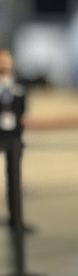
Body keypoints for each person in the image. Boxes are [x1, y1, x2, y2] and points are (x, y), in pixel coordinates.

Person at [0, 46, 26, 236]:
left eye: (7, 59)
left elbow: (22, 108)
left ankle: (16, 221)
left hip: (14, 137)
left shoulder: (18, 84)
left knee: (15, 180)